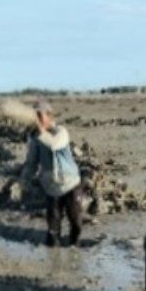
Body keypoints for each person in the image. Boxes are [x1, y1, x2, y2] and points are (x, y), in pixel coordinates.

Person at [19, 99, 84, 246]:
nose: (37, 120)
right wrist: (24, 182)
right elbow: (31, 163)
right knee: (53, 229)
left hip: (70, 184)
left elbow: (53, 144)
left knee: (76, 223)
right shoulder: (36, 140)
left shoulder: (61, 132)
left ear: (50, 116)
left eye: (39, 116)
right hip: (52, 188)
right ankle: (53, 259)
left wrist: (39, 131)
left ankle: (75, 249)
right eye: (34, 116)